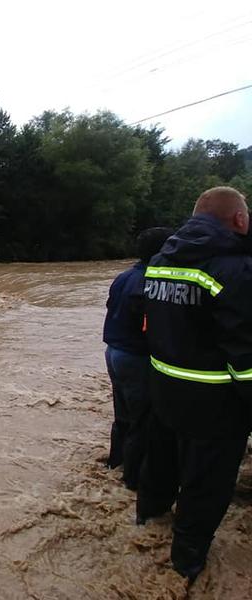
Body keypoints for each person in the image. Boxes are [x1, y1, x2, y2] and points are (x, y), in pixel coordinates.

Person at [136, 186, 252, 582]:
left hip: (164, 388)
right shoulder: (233, 268)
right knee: (207, 484)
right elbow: (245, 351)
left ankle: (147, 516)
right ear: (239, 219)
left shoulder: (161, 259)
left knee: (162, 461)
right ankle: (186, 562)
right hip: (214, 403)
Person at [103, 227, 174, 490]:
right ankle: (132, 481)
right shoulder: (150, 282)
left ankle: (115, 463)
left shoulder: (124, 276)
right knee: (142, 421)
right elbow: (150, 326)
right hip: (135, 357)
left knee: (123, 415)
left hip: (114, 351)